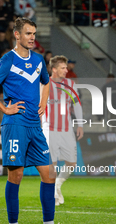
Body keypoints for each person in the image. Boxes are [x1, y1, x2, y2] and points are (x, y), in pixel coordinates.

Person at [0, 17, 76, 224]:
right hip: (15, 125)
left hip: (35, 125)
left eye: (34, 33)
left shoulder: (40, 60)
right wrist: (4, 108)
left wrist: (43, 101)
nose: (33, 37)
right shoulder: (7, 60)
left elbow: (46, 81)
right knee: (16, 175)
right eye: (28, 33)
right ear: (17, 35)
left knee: (49, 174)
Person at [41, 55, 83, 206]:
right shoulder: (44, 84)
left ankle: (57, 185)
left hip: (67, 129)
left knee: (72, 163)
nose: (66, 70)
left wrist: (80, 124)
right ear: (54, 69)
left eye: (66, 67)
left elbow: (77, 104)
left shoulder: (71, 83)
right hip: (49, 129)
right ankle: (53, 194)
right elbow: (39, 106)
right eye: (63, 68)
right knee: (51, 164)